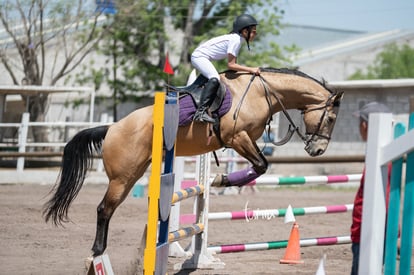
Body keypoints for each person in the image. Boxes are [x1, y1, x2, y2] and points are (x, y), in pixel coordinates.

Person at [191, 14, 261, 123]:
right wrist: (251, 69)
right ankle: (200, 112)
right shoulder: (236, 40)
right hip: (199, 57)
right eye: (254, 32)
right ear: (245, 31)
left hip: (203, 57)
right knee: (214, 78)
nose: (256, 34)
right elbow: (231, 65)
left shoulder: (237, 39)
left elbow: (233, 66)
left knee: (215, 77)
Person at [350, 101, 392, 275]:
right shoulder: (389, 154)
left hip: (365, 230)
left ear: (365, 125)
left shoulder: (379, 156)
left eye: (360, 122)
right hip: (379, 227)